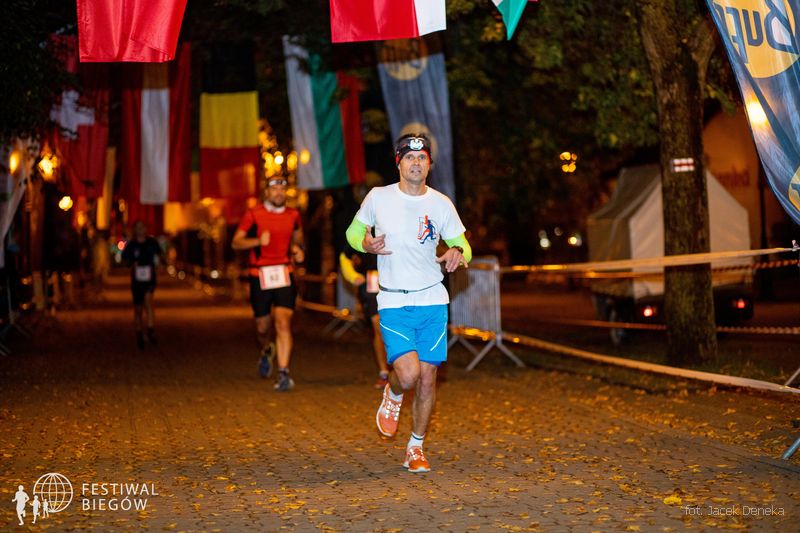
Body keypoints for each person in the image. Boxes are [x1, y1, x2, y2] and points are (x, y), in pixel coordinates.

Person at [345, 133, 472, 473]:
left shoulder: (441, 203)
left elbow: (463, 246)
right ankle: (394, 391)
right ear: (398, 163)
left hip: (432, 300)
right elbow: (353, 233)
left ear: (429, 164)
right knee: (409, 373)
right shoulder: (378, 197)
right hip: (394, 300)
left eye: (422, 157)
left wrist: (456, 252)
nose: (416, 162)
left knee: (428, 378)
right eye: (409, 157)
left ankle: (415, 447)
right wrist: (365, 243)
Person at [232, 177, 304, 392]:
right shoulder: (254, 214)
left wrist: (297, 249)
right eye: (275, 189)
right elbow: (236, 242)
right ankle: (267, 348)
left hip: (284, 273)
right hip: (259, 274)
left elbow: (298, 238)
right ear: (267, 193)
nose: (279, 192)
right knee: (262, 327)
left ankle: (283, 373)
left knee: (283, 323)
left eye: (282, 188)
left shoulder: (293, 215)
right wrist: (257, 241)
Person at [339, 245, 390, 388]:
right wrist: (352, 275)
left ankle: (404, 368)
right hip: (372, 283)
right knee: (379, 328)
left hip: (398, 280)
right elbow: (345, 256)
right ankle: (384, 372)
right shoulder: (363, 232)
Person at [121, 221, 163, 350]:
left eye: (143, 227)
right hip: (137, 281)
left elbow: (159, 256)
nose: (141, 230)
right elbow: (125, 260)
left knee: (149, 302)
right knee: (138, 308)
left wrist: (158, 264)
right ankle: (139, 332)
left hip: (150, 278)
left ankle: (150, 329)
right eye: (138, 227)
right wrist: (131, 263)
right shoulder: (131, 245)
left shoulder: (152, 243)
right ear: (135, 230)